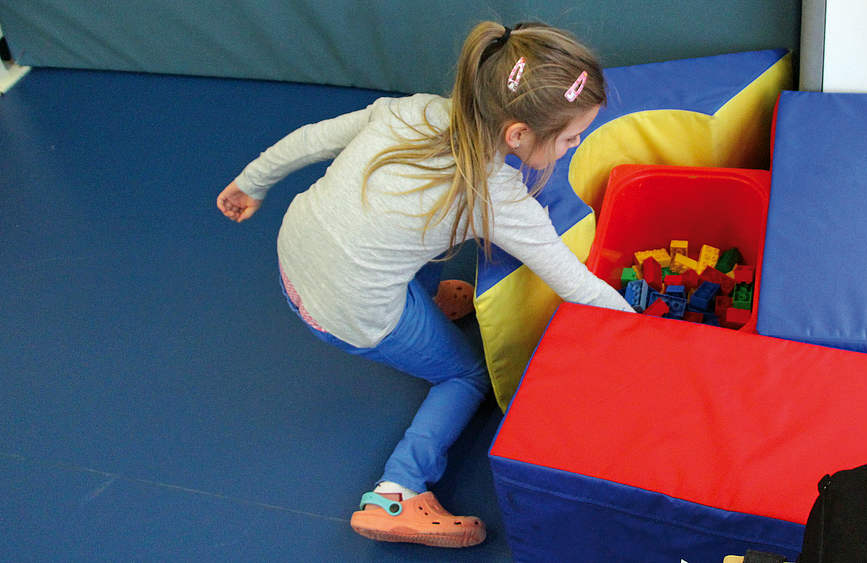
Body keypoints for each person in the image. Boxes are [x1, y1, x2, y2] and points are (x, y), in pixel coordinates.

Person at [216, 20, 634, 549]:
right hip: (346, 310)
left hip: (295, 251)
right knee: (466, 376)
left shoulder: (413, 110)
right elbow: (578, 285)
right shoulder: (496, 197)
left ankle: (428, 304)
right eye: (571, 138)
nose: (575, 145)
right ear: (517, 135)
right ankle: (397, 492)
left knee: (419, 230)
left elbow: (311, 140)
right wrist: (656, 338)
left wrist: (250, 183)